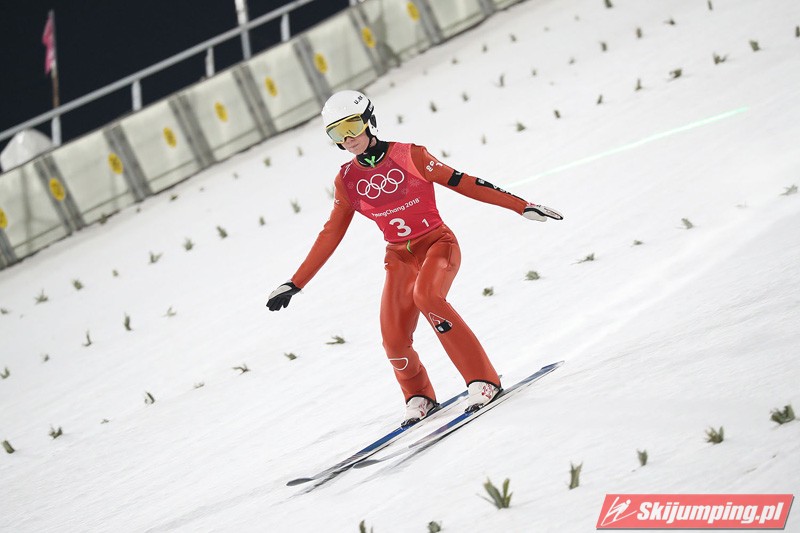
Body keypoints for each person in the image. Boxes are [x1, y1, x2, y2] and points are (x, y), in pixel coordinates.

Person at [267, 90, 563, 427]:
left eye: (352, 126)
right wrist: (295, 283)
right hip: (399, 257)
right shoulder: (347, 181)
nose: (347, 139)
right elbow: (330, 233)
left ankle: (484, 380)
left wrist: (521, 205)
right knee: (393, 338)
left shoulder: (410, 156)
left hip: (437, 244)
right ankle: (419, 395)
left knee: (428, 297)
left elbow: (464, 182)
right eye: (337, 132)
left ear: (368, 121)